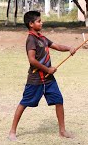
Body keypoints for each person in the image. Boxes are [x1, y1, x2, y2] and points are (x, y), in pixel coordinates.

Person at [8, 11, 76, 141]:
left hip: (49, 80)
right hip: (35, 79)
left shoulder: (42, 38)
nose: (41, 23)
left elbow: (56, 46)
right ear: (31, 24)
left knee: (59, 100)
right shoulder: (31, 40)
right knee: (24, 103)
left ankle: (62, 131)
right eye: (39, 21)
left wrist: (69, 48)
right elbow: (32, 60)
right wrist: (48, 69)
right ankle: (12, 131)